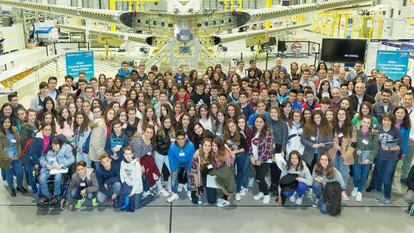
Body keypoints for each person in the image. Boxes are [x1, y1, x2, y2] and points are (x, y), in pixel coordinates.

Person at [38, 137, 75, 206]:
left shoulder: (66, 148)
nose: (54, 147)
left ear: (60, 144)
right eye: (52, 146)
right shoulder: (48, 150)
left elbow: (72, 159)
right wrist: (46, 165)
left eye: (56, 145)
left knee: (58, 177)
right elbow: (41, 159)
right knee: (41, 177)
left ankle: (56, 197)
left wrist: (62, 165)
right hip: (48, 169)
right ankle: (46, 197)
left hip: (60, 169)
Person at [375, 113, 402, 205]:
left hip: (391, 159)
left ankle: (387, 196)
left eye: (389, 121)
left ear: (392, 122)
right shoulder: (378, 128)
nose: (386, 122)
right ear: (382, 120)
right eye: (384, 120)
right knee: (378, 176)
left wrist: (389, 148)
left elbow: (399, 147)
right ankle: (378, 191)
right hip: (378, 157)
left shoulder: (396, 131)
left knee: (386, 178)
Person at [351, 116, 378, 202]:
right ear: (361, 122)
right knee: (356, 175)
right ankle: (355, 186)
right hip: (356, 158)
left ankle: (359, 191)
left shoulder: (374, 134)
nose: (366, 124)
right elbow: (351, 144)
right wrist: (355, 150)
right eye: (364, 122)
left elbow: (375, 148)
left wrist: (369, 158)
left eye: (368, 123)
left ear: (370, 124)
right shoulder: (355, 132)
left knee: (364, 175)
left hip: (367, 159)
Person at [249, 115, 273, 204]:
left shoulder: (268, 132)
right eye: (256, 121)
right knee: (258, 177)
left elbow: (268, 149)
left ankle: (267, 194)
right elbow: (251, 146)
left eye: (260, 122)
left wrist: (260, 160)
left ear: (264, 123)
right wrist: (251, 157)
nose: (258, 123)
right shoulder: (254, 131)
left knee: (260, 177)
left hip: (265, 160)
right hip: (254, 159)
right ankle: (261, 192)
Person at [167, 130, 195, 203]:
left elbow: (191, 158)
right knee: (173, 177)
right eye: (178, 139)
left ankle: (189, 191)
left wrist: (190, 169)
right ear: (176, 139)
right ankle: (174, 193)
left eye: (182, 139)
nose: (180, 141)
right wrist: (173, 171)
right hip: (176, 163)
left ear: (185, 138)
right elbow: (171, 159)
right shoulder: (172, 147)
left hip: (187, 163)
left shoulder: (191, 145)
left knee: (190, 176)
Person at [0, 117, 25, 196]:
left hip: (16, 156)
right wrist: (8, 157)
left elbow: (18, 143)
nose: (6, 124)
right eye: (4, 122)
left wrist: (18, 154)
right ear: (1, 124)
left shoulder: (14, 130)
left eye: (8, 122)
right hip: (6, 158)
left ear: (10, 123)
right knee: (9, 174)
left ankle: (19, 186)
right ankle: (12, 188)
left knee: (20, 172)